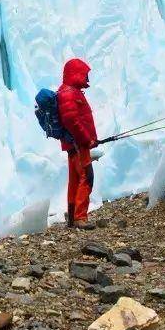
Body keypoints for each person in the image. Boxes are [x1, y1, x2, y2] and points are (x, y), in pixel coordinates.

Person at [56, 58, 99, 228]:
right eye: (85, 75)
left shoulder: (69, 92)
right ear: (76, 74)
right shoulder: (69, 93)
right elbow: (71, 119)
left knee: (75, 180)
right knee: (86, 177)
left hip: (74, 145)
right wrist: (86, 139)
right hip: (78, 145)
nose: (87, 79)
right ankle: (80, 217)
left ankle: (73, 218)